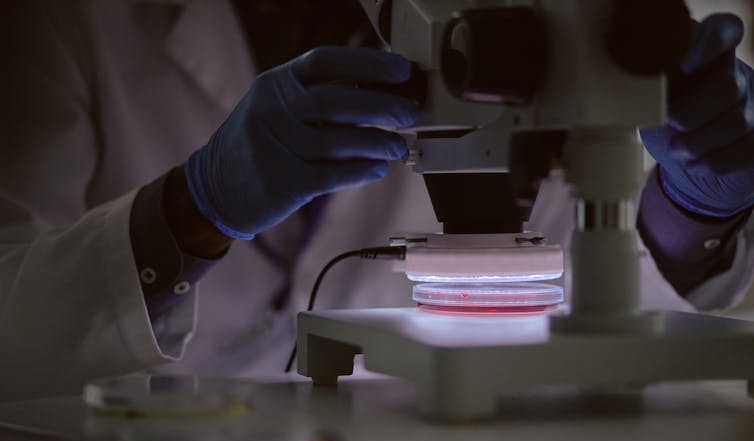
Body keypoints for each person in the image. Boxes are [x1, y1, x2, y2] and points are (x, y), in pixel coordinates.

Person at [2, 0, 754, 401]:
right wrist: (189, 212)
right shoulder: (63, 18)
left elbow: (588, 295)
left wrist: (697, 209)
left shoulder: (510, 20)